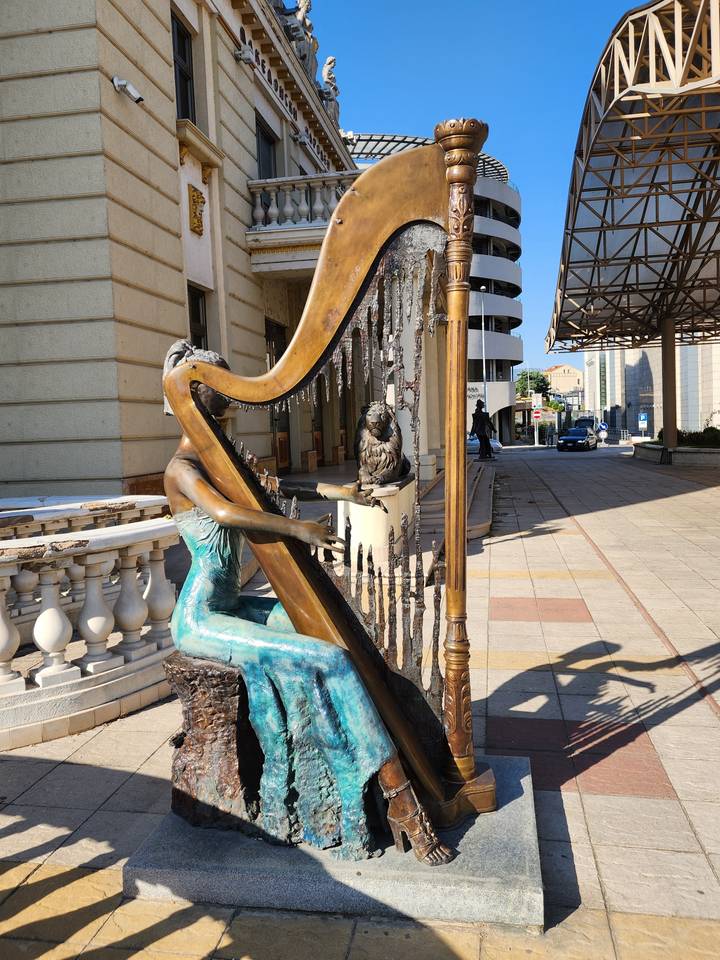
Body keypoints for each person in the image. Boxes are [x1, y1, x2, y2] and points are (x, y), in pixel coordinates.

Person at [162, 340, 453, 866]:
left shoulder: (221, 458)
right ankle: (397, 798)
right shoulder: (183, 469)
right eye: (221, 388)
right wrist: (298, 528)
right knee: (331, 660)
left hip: (234, 606)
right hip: (203, 617)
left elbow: (279, 486)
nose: (230, 398)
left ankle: (391, 772)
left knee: (324, 634)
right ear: (196, 397)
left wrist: (344, 495)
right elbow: (228, 516)